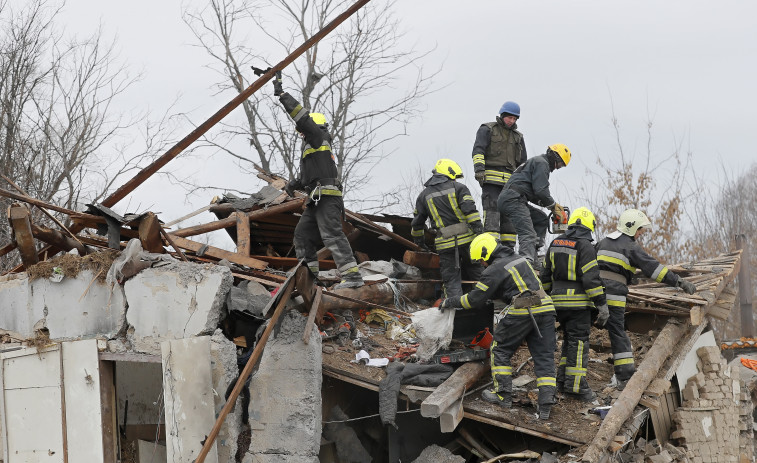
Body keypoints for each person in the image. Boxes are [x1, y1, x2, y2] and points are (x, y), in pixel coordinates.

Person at [439, 233, 557, 420]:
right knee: (544, 355)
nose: (481, 265)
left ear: (486, 254)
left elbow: (473, 300)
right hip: (547, 308)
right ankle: (546, 402)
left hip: (523, 310)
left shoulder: (494, 269)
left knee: (499, 349)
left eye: (481, 260)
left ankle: (503, 395)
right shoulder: (519, 259)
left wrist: (449, 302)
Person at [273, 72, 364, 290]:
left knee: (332, 234)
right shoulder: (314, 147)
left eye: (303, 131)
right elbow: (309, 176)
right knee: (302, 235)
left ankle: (352, 277)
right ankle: (310, 280)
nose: (301, 134)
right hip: (317, 198)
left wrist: (282, 95)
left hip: (326, 197)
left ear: (313, 126)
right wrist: (294, 184)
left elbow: (301, 117)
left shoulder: (317, 136)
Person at [596, 209, 697, 388]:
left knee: (580, 332)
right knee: (618, 333)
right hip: (614, 296)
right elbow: (654, 269)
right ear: (631, 227)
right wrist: (679, 282)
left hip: (593, 294)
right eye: (639, 230)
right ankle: (625, 377)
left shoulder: (603, 242)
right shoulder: (630, 246)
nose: (640, 234)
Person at [540, 207, 608, 401]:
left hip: (557, 303)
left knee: (569, 342)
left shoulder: (555, 243)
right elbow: (591, 280)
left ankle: (562, 380)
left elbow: (544, 276)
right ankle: (577, 386)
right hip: (578, 304)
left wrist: (547, 297)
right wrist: (601, 305)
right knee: (578, 343)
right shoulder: (585, 246)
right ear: (588, 226)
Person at [411, 159, 484, 298]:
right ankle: (483, 308)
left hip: (445, 245)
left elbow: (417, 224)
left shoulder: (423, 195)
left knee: (451, 281)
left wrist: (420, 243)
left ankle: (456, 313)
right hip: (468, 242)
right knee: (477, 275)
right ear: (449, 173)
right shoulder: (459, 188)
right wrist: (480, 234)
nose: (455, 180)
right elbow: (471, 213)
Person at [497, 144, 571, 264]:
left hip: (513, 197)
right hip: (514, 199)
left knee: (541, 219)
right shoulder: (542, 163)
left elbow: (536, 193)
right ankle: (525, 263)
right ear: (556, 157)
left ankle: (533, 254)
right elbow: (541, 191)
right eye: (560, 164)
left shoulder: (538, 162)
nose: (558, 168)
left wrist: (552, 206)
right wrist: (553, 206)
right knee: (528, 234)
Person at [471, 101, 527, 247]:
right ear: (502, 115)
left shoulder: (518, 137)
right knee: (492, 213)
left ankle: (508, 250)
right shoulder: (488, 129)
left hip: (510, 185)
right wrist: (479, 169)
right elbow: (478, 150)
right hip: (491, 182)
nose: (512, 121)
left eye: (515, 119)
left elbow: (523, 163)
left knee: (509, 217)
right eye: (510, 118)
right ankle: (491, 247)